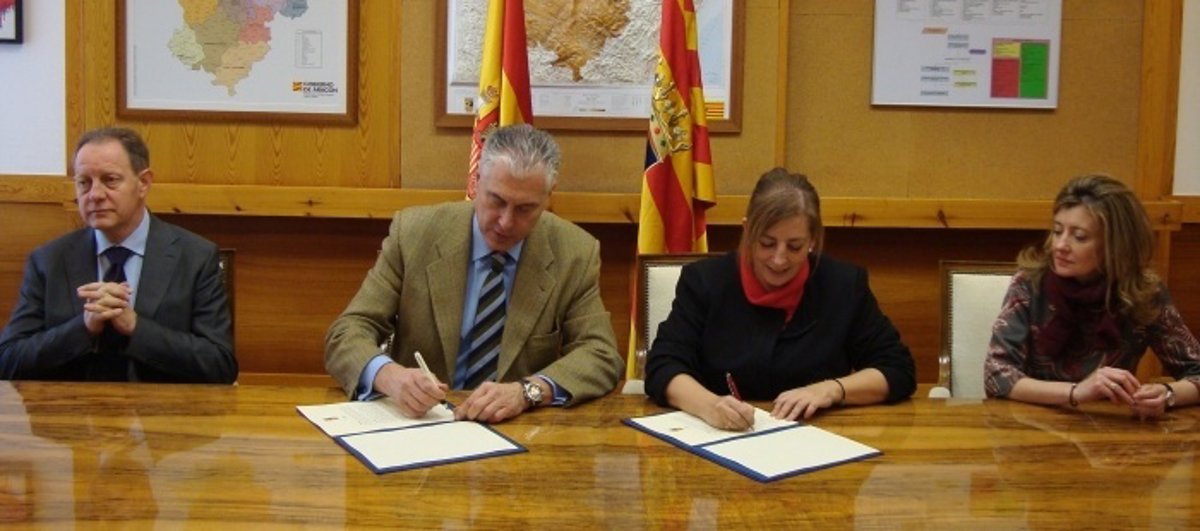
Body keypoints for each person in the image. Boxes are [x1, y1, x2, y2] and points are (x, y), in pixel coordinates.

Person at [325, 124, 622, 423]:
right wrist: (389, 376)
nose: (506, 222)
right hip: (421, 421)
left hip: (515, 426)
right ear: (476, 182)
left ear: (548, 197)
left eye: (524, 209)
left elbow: (600, 353)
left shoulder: (574, 252)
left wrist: (528, 391)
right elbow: (347, 332)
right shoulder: (414, 234)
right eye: (497, 201)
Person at [644, 168, 916, 430]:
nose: (779, 259)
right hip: (721, 437)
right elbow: (663, 366)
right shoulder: (706, 281)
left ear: (813, 239)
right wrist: (709, 406)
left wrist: (831, 389)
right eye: (767, 243)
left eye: (795, 246)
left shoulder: (843, 285)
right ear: (747, 230)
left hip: (817, 440)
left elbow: (897, 368)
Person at [0, 127, 236, 383]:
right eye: (84, 183)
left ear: (143, 183)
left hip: (163, 407)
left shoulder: (196, 257)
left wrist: (135, 327)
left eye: (110, 180)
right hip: (73, 407)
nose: (95, 194)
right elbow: (8, 361)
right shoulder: (49, 260)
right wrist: (83, 328)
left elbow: (219, 365)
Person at [984, 174, 1200, 416]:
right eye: (1057, 231)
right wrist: (1077, 392)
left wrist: (1168, 394)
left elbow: (1196, 370)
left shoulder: (1142, 293)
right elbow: (997, 375)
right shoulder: (1030, 283)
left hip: (1109, 427)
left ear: (1115, 245)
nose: (1060, 245)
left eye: (1079, 237)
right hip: (1032, 422)